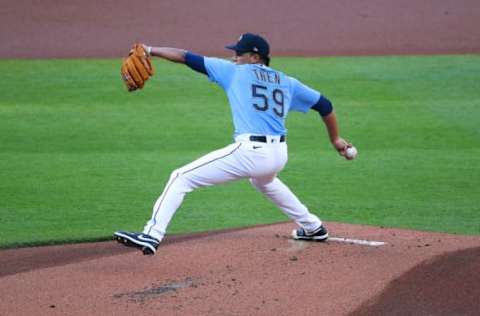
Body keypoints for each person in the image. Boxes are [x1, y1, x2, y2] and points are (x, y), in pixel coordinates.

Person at [114, 33, 354, 255]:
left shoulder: (234, 72)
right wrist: (335, 138)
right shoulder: (287, 82)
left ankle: (151, 235)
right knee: (265, 181)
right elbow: (325, 105)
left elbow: (186, 57)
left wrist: (150, 49)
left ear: (255, 57)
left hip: (252, 152)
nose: (234, 57)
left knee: (181, 177)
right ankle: (313, 227)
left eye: (239, 53)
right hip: (279, 153)